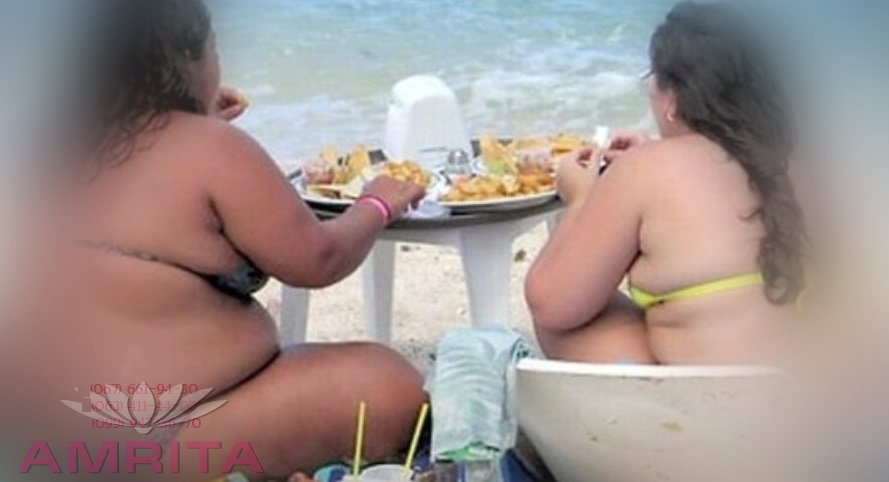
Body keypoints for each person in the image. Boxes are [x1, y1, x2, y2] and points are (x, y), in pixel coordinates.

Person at [15, 0, 428, 479]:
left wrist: (198, 116)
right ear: (190, 57)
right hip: (148, 443)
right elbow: (319, 258)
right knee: (385, 386)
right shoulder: (212, 148)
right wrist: (377, 204)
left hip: (38, 436)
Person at [525, 1, 806, 365]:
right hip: (811, 384)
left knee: (564, 311)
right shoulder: (808, 162)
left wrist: (581, 200)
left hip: (710, 395)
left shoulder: (645, 169)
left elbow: (550, 305)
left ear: (672, 99)